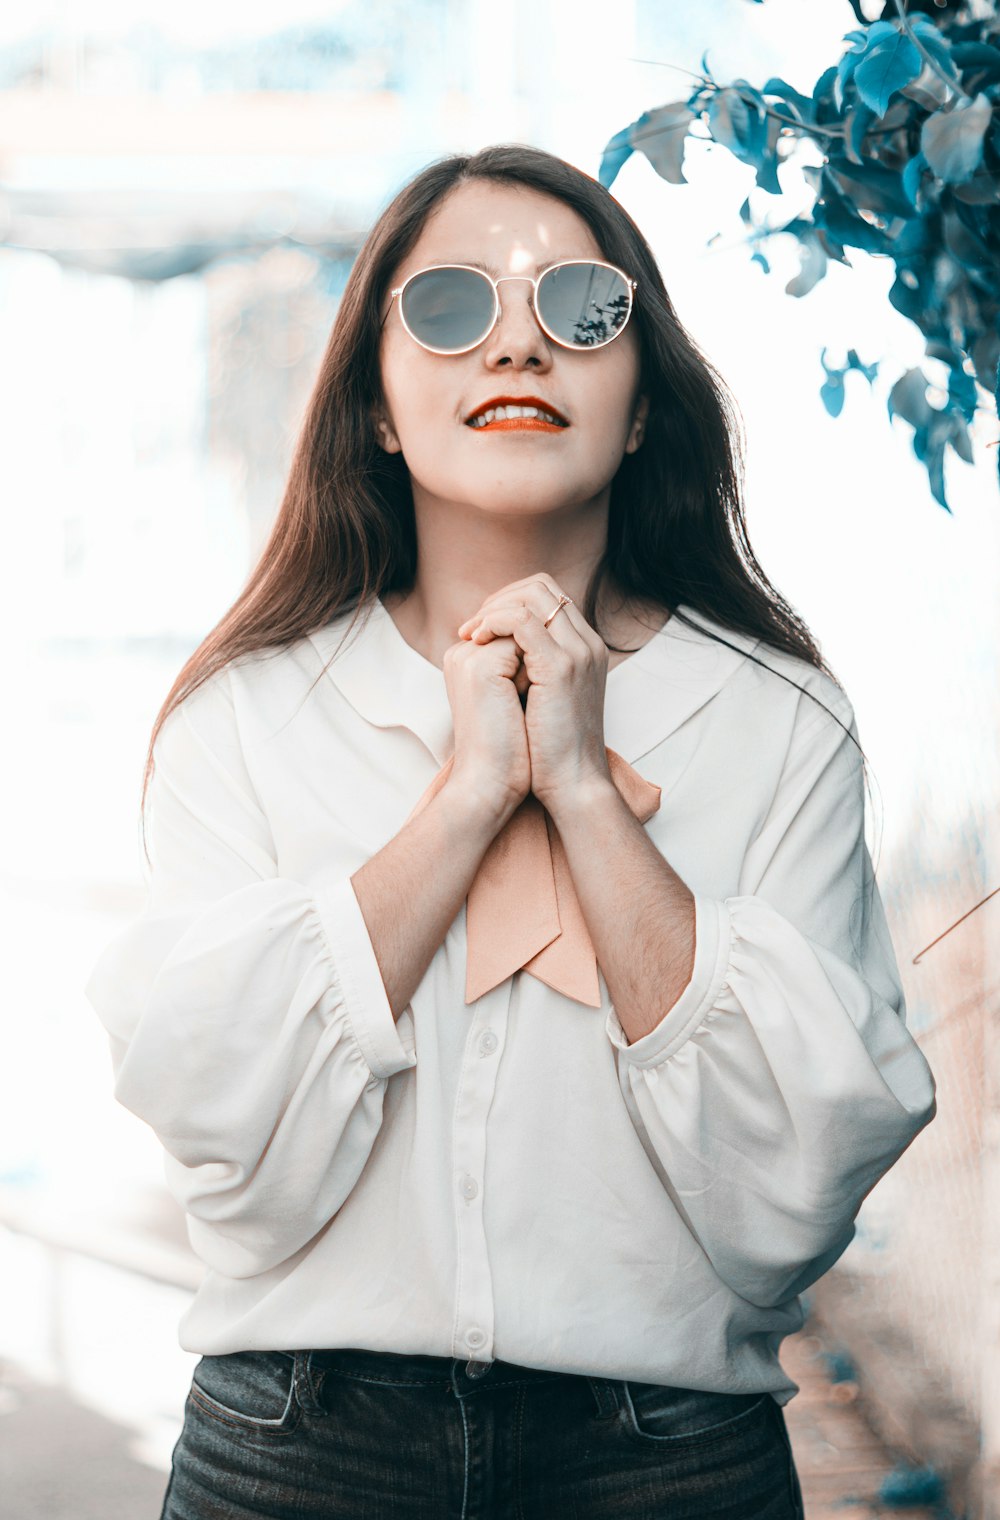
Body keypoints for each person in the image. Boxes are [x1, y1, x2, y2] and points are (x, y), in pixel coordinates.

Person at [85, 143, 937, 1520]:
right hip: (300, 1448)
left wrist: (586, 789)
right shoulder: (242, 718)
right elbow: (227, 1149)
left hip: (666, 1461)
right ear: (372, 401)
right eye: (450, 308)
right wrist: (471, 791)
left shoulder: (778, 723)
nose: (520, 346)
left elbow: (789, 1199)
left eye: (584, 308)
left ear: (645, 403)